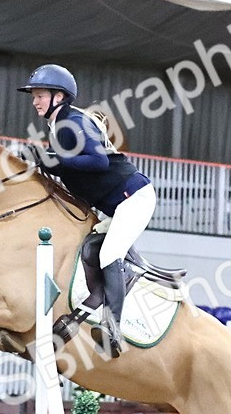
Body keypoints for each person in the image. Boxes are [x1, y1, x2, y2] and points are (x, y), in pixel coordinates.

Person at [17, 64, 157, 357]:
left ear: (59, 96)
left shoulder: (74, 121)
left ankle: (113, 328)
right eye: (34, 97)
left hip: (133, 198)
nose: (35, 102)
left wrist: (54, 158)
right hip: (112, 206)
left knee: (109, 254)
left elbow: (99, 162)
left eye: (39, 95)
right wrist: (43, 162)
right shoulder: (59, 126)